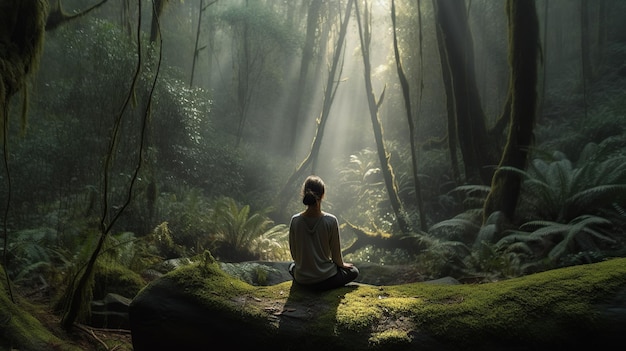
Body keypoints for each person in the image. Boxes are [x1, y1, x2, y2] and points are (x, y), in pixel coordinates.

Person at [288, 175, 359, 291]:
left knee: (291, 266)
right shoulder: (331, 221)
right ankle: (321, 286)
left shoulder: (295, 220)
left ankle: (307, 284)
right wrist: (342, 264)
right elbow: (336, 258)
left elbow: (294, 255)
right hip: (326, 278)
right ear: (323, 195)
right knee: (354, 271)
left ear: (304, 193)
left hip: (302, 279)